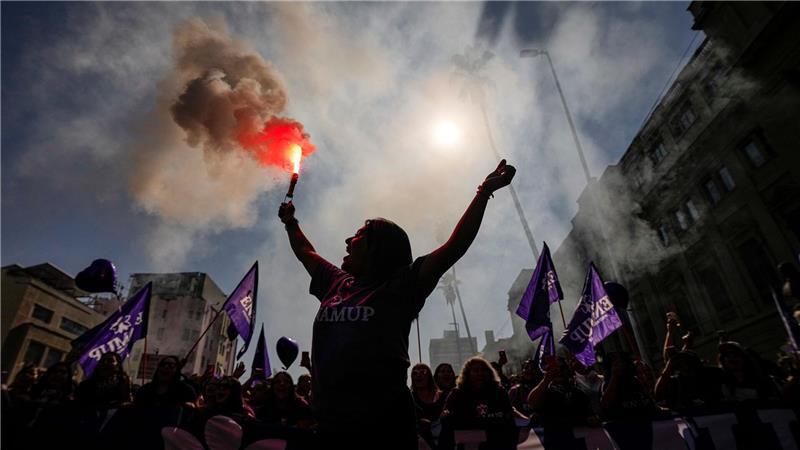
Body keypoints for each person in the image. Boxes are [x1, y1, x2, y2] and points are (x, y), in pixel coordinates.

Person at [278, 160, 516, 449]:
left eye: (358, 236)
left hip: (385, 429)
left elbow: (454, 247)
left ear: (379, 248)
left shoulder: (401, 287)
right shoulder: (335, 283)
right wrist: (291, 222)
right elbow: (305, 252)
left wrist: (483, 192)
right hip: (331, 428)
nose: (347, 241)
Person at [439, 357, 517, 450]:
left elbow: (508, 413)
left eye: (483, 370)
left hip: (498, 443)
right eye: (476, 370)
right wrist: (446, 414)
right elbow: (446, 414)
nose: (480, 373)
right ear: (468, 374)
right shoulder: (457, 393)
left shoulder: (499, 391)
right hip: (468, 444)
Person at [410, 363, 444, 447]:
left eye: (422, 372)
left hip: (442, 438)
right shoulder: (410, 397)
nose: (418, 375)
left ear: (429, 376)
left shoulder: (441, 396)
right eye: (415, 373)